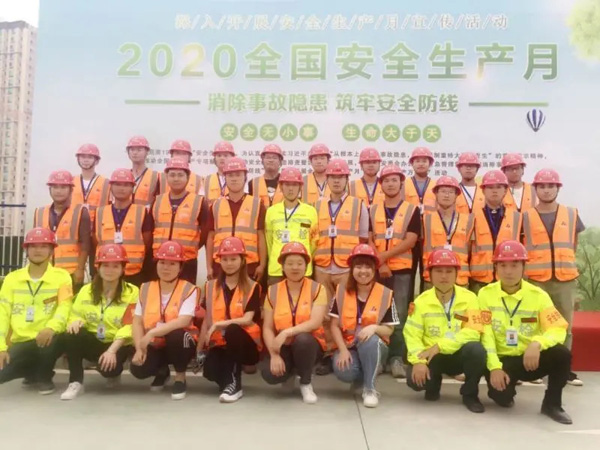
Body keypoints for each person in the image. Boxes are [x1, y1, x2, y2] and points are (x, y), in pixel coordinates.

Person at [479, 240, 573, 424]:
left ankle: (552, 404)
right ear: (495, 267)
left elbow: (558, 328)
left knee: (561, 354)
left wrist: (537, 343)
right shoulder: (485, 294)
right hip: (502, 359)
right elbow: (486, 334)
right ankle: (505, 388)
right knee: (502, 398)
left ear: (524, 266)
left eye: (514, 265)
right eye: (503, 265)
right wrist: (494, 367)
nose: (508, 271)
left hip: (529, 358)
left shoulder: (538, 296)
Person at [522, 169, 585, 387]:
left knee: (564, 326)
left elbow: (573, 244)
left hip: (564, 279)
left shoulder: (571, 214)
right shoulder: (525, 217)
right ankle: (534, 369)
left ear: (558, 188)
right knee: (534, 325)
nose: (546, 190)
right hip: (536, 279)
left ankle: (563, 371)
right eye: (542, 186)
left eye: (551, 186)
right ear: (535, 189)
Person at [404, 249, 486, 413]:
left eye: (449, 271)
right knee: (415, 382)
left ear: (456, 274)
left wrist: (441, 346)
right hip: (432, 357)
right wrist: (418, 362)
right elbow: (412, 335)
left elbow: (473, 331)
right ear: (430, 274)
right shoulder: (421, 302)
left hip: (457, 354)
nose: (444, 276)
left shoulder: (470, 298)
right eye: (438, 271)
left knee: (476, 350)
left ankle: (470, 394)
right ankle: (433, 384)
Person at [60, 244, 138, 400]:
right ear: (98, 267)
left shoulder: (132, 292)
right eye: (105, 265)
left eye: (115, 266)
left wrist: (112, 351)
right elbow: (76, 313)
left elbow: (131, 325)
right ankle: (75, 382)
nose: (110, 270)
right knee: (71, 334)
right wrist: (75, 322)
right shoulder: (86, 290)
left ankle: (113, 373)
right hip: (94, 339)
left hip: (117, 343)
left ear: (123, 269)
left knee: (109, 370)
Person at [0, 228, 73, 395]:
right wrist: (1, 347)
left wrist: (51, 327)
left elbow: (65, 307)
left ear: (51, 250)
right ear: (26, 250)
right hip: (21, 340)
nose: (38, 250)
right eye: (33, 246)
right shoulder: (12, 278)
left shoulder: (62, 276)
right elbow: (2, 313)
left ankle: (44, 376)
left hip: (49, 337)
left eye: (43, 246)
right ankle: (31, 372)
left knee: (49, 345)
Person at [313, 159, 369, 375]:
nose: (336, 181)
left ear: (347, 179)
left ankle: (350, 350)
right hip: (322, 266)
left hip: (347, 267)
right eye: (333, 177)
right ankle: (329, 353)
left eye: (341, 177)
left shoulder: (358, 205)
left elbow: (363, 238)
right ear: (326, 179)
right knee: (325, 313)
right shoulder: (317, 205)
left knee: (346, 312)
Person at [329, 244, 398, 408]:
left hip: (374, 345)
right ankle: (367, 372)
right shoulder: (341, 291)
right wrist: (343, 350)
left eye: (368, 267)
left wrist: (374, 328)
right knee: (344, 370)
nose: (363, 271)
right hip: (349, 345)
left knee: (371, 341)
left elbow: (390, 329)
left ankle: (370, 389)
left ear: (374, 270)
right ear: (352, 269)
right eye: (358, 266)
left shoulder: (385, 294)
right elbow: (334, 325)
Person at [368, 164, 419, 379]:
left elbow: (411, 240)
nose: (390, 184)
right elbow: (368, 237)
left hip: (402, 271)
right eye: (386, 180)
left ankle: (396, 358)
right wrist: (380, 263)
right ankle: (380, 356)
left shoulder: (412, 209)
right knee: (376, 314)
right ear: (381, 185)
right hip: (378, 271)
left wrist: (384, 257)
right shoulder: (372, 209)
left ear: (401, 183)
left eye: (394, 180)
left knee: (399, 315)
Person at [130, 241, 199, 400]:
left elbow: (183, 321)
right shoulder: (145, 288)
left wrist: (152, 332)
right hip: (155, 343)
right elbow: (137, 321)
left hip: (181, 342)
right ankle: (162, 371)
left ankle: (180, 377)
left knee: (176, 335)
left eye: (172, 263)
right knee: (138, 369)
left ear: (180, 267)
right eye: (162, 262)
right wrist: (139, 348)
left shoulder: (189, 289)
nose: (166, 268)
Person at [261, 242, 328, 404]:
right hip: (283, 346)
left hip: (309, 345)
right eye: (290, 263)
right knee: (269, 374)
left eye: (299, 263)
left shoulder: (317, 289)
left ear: (306, 266)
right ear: (282, 267)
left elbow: (315, 322)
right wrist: (274, 355)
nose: (295, 267)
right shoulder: (273, 291)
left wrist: (287, 332)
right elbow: (267, 327)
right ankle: (289, 374)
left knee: (303, 340)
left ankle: (305, 382)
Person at [198, 237, 262, 403]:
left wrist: (220, 324)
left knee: (233, 330)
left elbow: (247, 319)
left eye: (233, 259)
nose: (229, 263)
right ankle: (228, 381)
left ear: (242, 260)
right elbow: (206, 320)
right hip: (220, 343)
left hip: (246, 345)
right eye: (225, 259)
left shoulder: (252, 286)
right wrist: (199, 350)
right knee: (210, 371)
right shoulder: (210, 286)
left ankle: (235, 385)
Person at [206, 157, 267, 281]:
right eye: (230, 175)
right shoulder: (216, 205)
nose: (234, 179)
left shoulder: (257, 204)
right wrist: (209, 267)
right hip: (221, 265)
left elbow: (261, 236)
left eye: (238, 175)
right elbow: (210, 237)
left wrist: (262, 265)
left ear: (245, 177)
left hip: (249, 266)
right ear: (225, 178)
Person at [150, 159, 208, 284]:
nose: (176, 179)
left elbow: (205, 232)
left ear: (188, 178)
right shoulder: (157, 201)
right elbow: (150, 230)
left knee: (185, 294)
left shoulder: (199, 202)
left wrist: (192, 246)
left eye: (180, 175)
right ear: (166, 177)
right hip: (160, 260)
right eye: (172, 175)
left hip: (187, 261)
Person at [34, 170, 90, 293]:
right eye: (55, 187)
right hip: (45, 271)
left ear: (71, 190)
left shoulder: (80, 212)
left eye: (63, 187)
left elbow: (86, 244)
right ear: (50, 189)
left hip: (70, 273)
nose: (58, 191)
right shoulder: (40, 212)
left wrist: (80, 269)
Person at [95, 169, 153, 286]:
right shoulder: (100, 212)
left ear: (132, 188)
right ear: (111, 187)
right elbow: (95, 240)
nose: (121, 188)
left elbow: (147, 242)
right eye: (117, 184)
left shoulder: (142, 212)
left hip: (134, 273)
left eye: (126, 185)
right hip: (106, 272)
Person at [470, 170, 522, 294]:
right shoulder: (472, 217)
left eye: (499, 187)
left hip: (508, 278)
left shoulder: (517, 217)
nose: (494, 191)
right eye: (490, 187)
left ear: (505, 190)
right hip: (479, 280)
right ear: (483, 190)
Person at [265, 167, 318, 285]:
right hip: (276, 269)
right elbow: (269, 241)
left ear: (300, 187)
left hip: (303, 269)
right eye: (287, 184)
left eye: (294, 185)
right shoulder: (271, 211)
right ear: (281, 186)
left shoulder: (310, 211)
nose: (290, 189)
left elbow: (314, 243)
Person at [422, 176, 474, 289]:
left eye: (451, 192)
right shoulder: (425, 219)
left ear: (456, 195)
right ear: (436, 194)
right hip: (433, 277)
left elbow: (470, 248)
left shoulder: (467, 220)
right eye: (443, 191)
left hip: (460, 277)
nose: (447, 195)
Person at [71, 143, 110, 226]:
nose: (86, 160)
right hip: (74, 226)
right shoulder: (71, 181)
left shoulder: (106, 183)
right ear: (78, 159)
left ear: (97, 161)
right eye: (83, 157)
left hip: (98, 226)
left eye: (90, 157)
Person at [126, 135, 160, 207]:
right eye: (132, 150)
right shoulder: (124, 176)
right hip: (126, 213)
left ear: (147, 152)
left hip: (147, 214)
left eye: (139, 150)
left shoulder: (156, 177)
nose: (135, 153)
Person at [248, 144, 284, 208]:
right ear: (262, 161)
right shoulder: (253, 183)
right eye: (268, 157)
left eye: (274, 158)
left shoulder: (286, 182)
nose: (271, 160)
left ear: (280, 162)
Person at [403, 147, 437, 214]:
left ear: (430, 164)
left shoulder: (436, 185)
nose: (421, 164)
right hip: (409, 219)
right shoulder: (403, 185)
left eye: (424, 161)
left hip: (430, 219)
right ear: (412, 164)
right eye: (417, 161)